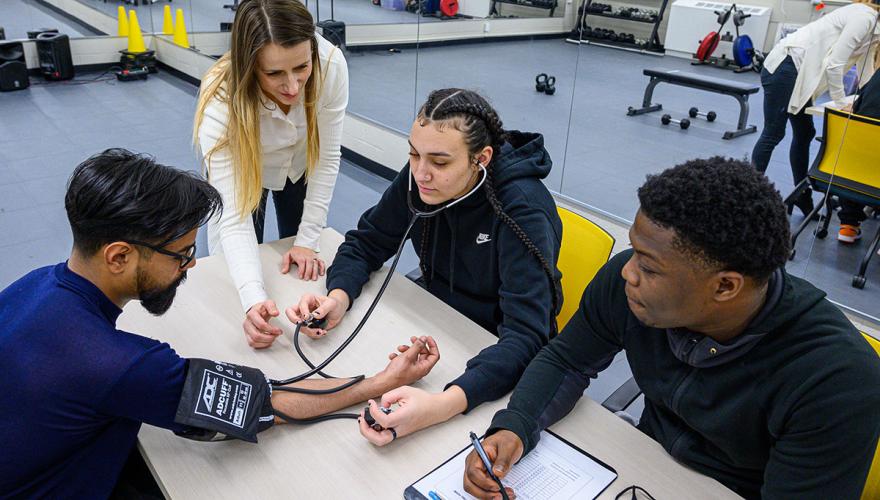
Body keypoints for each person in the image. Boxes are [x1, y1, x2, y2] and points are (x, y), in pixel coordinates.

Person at [0, 149, 437, 498]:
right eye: (181, 254)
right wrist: (381, 381)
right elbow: (268, 402)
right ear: (118, 256)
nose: (190, 264)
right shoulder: (119, 365)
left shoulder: (31, 286)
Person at [464, 158, 880, 500]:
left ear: (724, 286)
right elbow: (567, 359)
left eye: (648, 266)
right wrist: (515, 426)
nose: (627, 271)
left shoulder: (836, 379)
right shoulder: (629, 284)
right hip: (641, 466)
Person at [286, 89, 563, 445]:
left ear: (482, 158)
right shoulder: (421, 177)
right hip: (436, 325)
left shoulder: (523, 210)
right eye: (414, 154)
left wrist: (440, 405)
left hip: (494, 353)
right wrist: (338, 297)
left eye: (440, 162)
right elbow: (367, 242)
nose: (421, 173)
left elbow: (525, 337)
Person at [193, 0, 348, 349]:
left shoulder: (331, 65)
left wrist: (307, 240)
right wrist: (253, 299)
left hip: (299, 165)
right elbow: (232, 217)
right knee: (231, 273)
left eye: (301, 67)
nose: (293, 87)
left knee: (303, 270)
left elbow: (326, 157)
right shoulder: (220, 94)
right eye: (274, 74)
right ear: (250, 67)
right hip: (248, 168)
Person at [751, 0, 880, 217]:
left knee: (805, 133)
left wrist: (863, 101)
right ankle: (746, 196)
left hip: (799, 72)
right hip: (786, 66)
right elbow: (834, 64)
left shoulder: (874, 30)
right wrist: (841, 103)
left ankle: (801, 196)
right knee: (773, 133)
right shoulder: (864, 18)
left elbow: (865, 68)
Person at [837, 54, 880, 243]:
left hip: (854, 172)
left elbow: (857, 108)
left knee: (857, 154)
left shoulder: (875, 80)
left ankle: (848, 226)